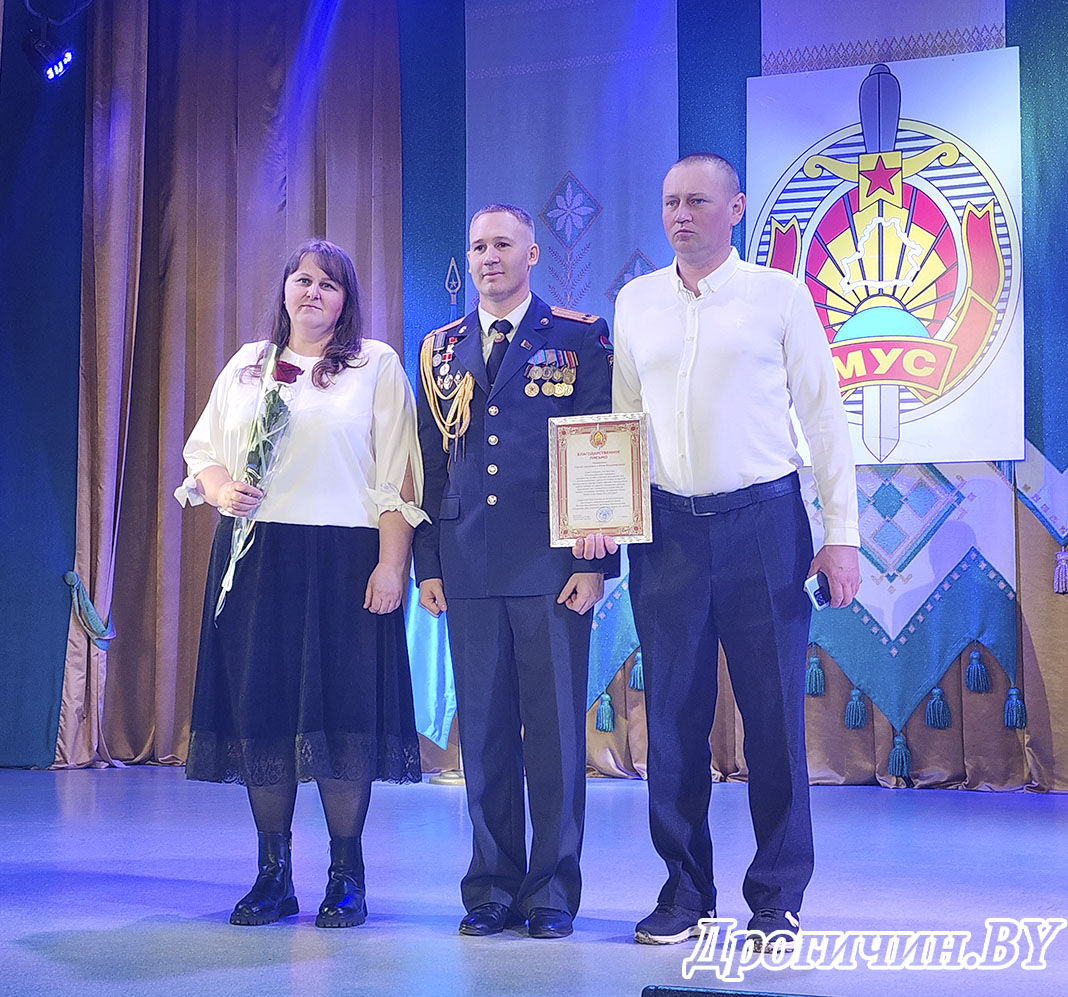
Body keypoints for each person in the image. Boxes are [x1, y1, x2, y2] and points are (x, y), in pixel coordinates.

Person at [576, 154, 860, 948]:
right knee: (671, 718)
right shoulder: (635, 302)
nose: (680, 214)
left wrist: (841, 535)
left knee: (773, 717)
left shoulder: (780, 295)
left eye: (697, 201)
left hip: (765, 525)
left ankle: (776, 896)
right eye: (670, 201)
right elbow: (622, 425)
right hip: (666, 531)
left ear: (735, 208)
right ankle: (684, 891)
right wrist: (602, 515)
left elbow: (825, 418)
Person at [176, 239, 426, 928]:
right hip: (257, 558)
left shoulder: (375, 364)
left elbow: (399, 473)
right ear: (285, 288)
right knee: (264, 712)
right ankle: (273, 873)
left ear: (347, 300)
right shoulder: (247, 365)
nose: (313, 292)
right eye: (302, 279)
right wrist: (221, 488)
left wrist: (392, 563)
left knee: (342, 715)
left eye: (329, 284)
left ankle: (346, 874)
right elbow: (204, 452)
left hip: (345, 559)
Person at [414, 204, 616, 939]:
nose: (489, 257)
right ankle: (492, 887)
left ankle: (552, 890)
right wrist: (428, 561)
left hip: (552, 564)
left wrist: (596, 562)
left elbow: (599, 446)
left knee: (555, 736)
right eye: (477, 246)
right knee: (486, 732)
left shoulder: (577, 336)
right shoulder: (440, 348)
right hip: (467, 561)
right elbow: (431, 463)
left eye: (502, 244)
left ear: (533, 253)